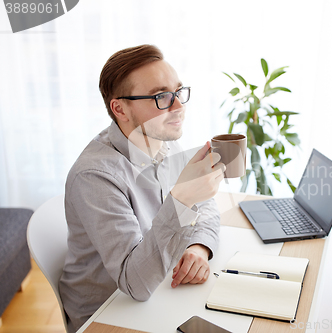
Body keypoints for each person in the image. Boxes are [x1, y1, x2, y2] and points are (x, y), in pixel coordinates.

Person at [58, 44, 225, 333]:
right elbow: (135, 284)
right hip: (109, 313)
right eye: (161, 96)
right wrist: (182, 199)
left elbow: (205, 205)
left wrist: (198, 249)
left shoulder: (162, 138)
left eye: (178, 91)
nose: (178, 107)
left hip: (160, 287)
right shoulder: (94, 176)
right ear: (120, 108)